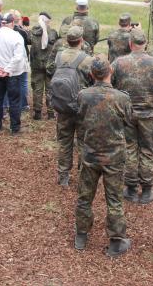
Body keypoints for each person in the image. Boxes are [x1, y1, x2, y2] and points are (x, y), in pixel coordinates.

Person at [74, 58, 134, 258]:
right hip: (114, 156)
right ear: (110, 72)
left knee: (85, 197)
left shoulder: (83, 95)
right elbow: (129, 121)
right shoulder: (122, 98)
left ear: (92, 74)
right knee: (114, 199)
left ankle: (81, 236)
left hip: (90, 153)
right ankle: (116, 240)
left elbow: (80, 119)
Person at [111, 29, 153, 204]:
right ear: (146, 44)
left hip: (127, 113)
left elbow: (107, 83)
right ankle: (147, 189)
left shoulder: (119, 62)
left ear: (130, 44)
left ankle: (131, 187)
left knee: (130, 148)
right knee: (148, 150)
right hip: (149, 114)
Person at [52, 26, 95, 186]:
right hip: (82, 106)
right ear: (81, 40)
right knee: (84, 141)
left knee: (64, 141)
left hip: (62, 104)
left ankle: (63, 175)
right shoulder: (87, 59)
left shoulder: (58, 56)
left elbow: (51, 70)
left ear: (66, 40)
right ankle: (83, 175)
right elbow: (94, 80)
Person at [29, 12, 59, 120]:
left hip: (36, 65)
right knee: (50, 89)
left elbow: (28, 40)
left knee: (37, 88)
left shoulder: (33, 32)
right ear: (48, 21)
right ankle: (51, 113)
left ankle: (37, 112)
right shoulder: (53, 33)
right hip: (49, 65)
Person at [9, 9, 31, 113]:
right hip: (21, 59)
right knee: (23, 82)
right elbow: (29, 40)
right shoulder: (21, 32)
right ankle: (24, 104)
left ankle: (10, 103)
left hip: (9, 58)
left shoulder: (8, 31)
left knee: (11, 81)